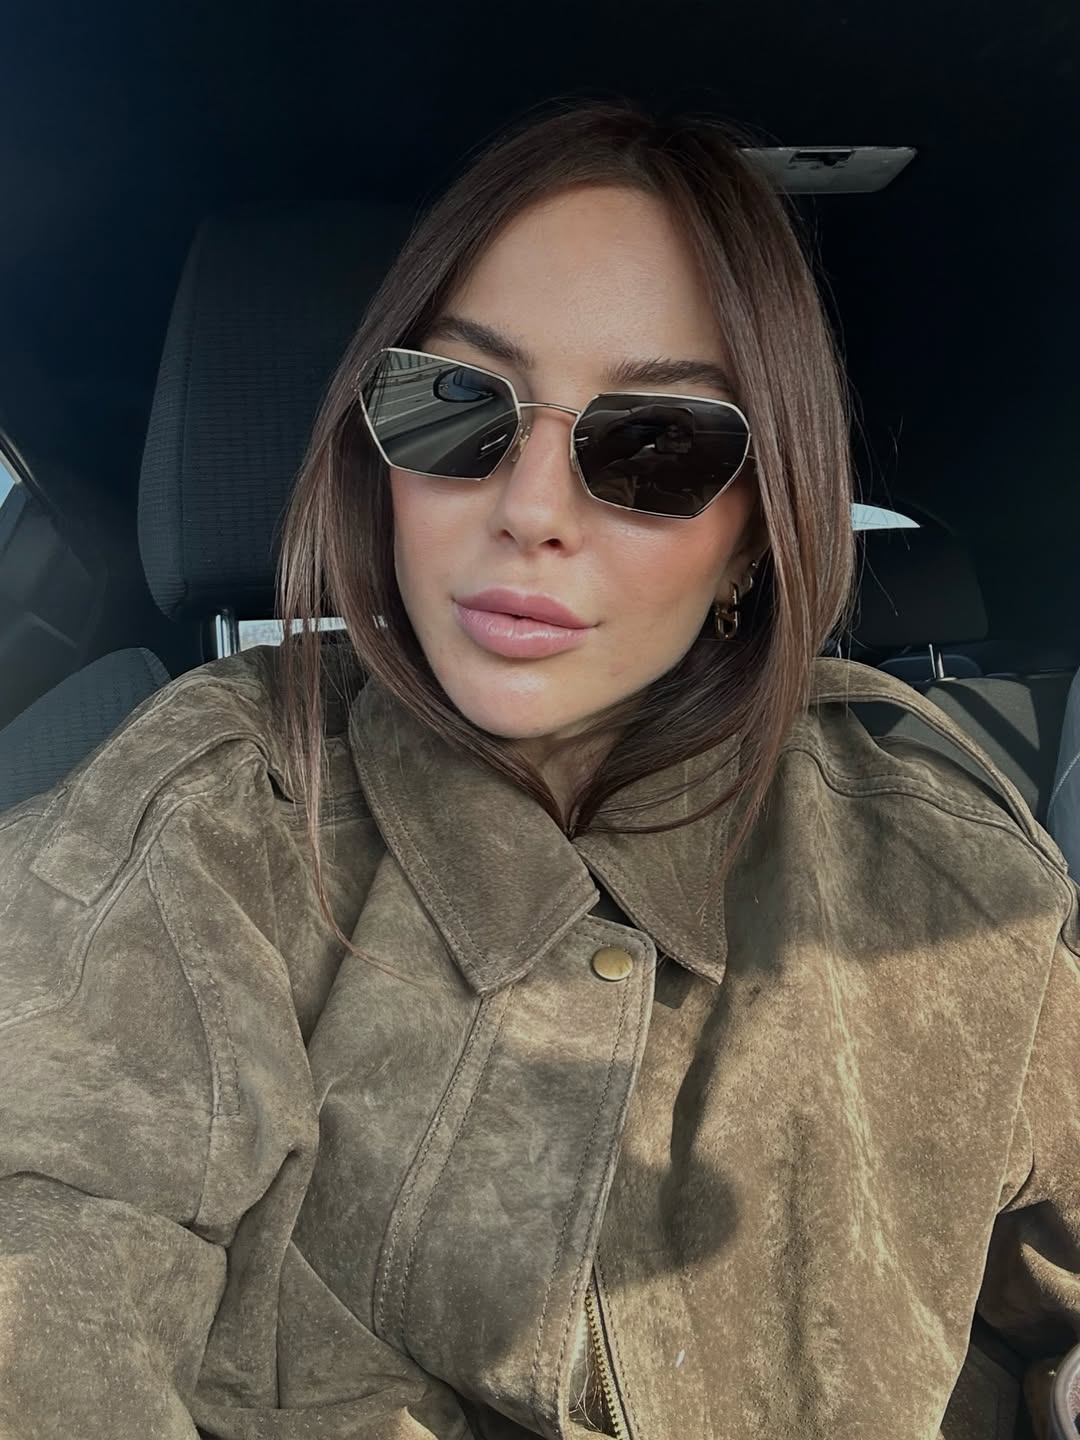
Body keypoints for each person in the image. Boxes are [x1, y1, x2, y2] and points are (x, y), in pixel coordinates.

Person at [1, 101, 1077, 1440]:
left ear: (756, 533)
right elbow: (45, 1243)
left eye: (660, 442)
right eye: (456, 404)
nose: (530, 509)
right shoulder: (206, 819)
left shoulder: (935, 859)